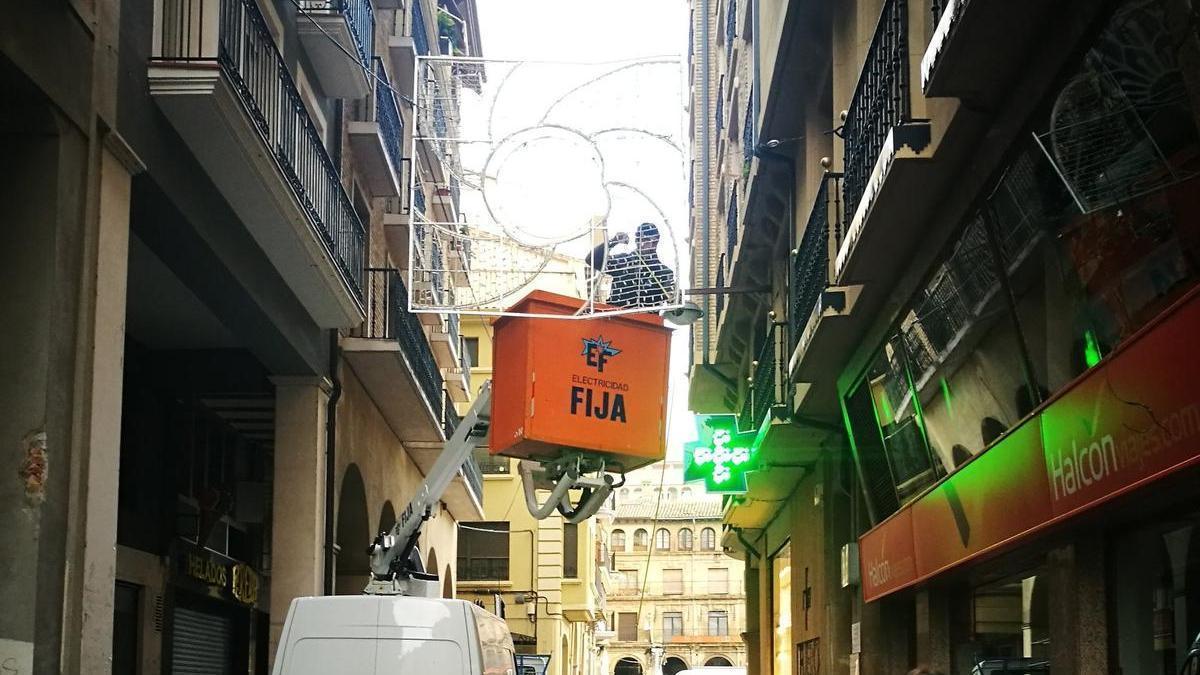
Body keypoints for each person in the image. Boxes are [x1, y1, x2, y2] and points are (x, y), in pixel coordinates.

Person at [585, 222, 676, 309]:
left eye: (646, 240)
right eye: (639, 239)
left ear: (655, 242)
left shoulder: (664, 272)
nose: (641, 244)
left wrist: (673, 295)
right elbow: (591, 259)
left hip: (646, 321)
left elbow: (671, 300)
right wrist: (613, 241)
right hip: (617, 319)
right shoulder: (623, 262)